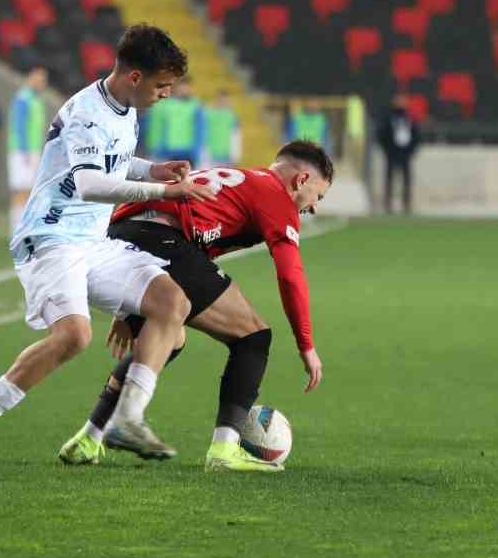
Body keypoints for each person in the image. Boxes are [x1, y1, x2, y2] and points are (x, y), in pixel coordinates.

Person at [0, 24, 218, 477]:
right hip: (51, 237)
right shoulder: (86, 112)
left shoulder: (125, 108)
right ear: (135, 77)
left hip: (93, 241)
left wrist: (152, 167)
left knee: (172, 303)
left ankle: (126, 418)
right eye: (162, 85)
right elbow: (90, 183)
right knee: (73, 337)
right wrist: (164, 190)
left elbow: (115, 162)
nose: (167, 94)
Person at [56, 140, 332, 473]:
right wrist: (307, 345)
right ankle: (224, 450)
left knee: (169, 339)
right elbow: (290, 276)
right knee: (253, 336)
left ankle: (89, 438)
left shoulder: (241, 179)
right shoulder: (275, 193)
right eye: (318, 196)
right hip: (163, 241)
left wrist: (126, 305)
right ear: (302, 180)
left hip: (120, 234)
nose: (313, 207)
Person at [6, 65, 48, 227]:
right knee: (21, 189)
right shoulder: (23, 98)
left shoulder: (37, 99)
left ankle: (23, 225)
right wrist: (24, 152)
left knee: (29, 189)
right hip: (22, 152)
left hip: (33, 150)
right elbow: (19, 126)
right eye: (39, 79)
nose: (42, 83)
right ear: (31, 79)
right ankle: (17, 227)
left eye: (44, 81)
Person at [376, 94, 420, 214]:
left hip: (405, 153)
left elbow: (416, 135)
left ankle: (406, 204)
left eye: (403, 102)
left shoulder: (410, 118)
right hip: (392, 153)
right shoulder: (389, 118)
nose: (401, 104)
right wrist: (387, 150)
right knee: (389, 179)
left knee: (407, 179)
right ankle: (387, 204)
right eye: (399, 102)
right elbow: (381, 135)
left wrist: (412, 150)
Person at [145, 78, 202, 164]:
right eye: (182, 87)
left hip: (187, 150)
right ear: (176, 88)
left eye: (186, 88)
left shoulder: (195, 105)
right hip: (167, 149)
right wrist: (156, 146)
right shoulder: (164, 104)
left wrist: (196, 149)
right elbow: (157, 126)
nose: (184, 90)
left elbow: (199, 129)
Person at [198, 88, 243, 169]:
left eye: (225, 100)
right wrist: (203, 153)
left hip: (227, 156)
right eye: (221, 99)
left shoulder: (232, 116)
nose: (223, 102)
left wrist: (235, 157)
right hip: (210, 156)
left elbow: (236, 137)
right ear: (217, 99)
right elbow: (202, 133)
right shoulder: (208, 114)